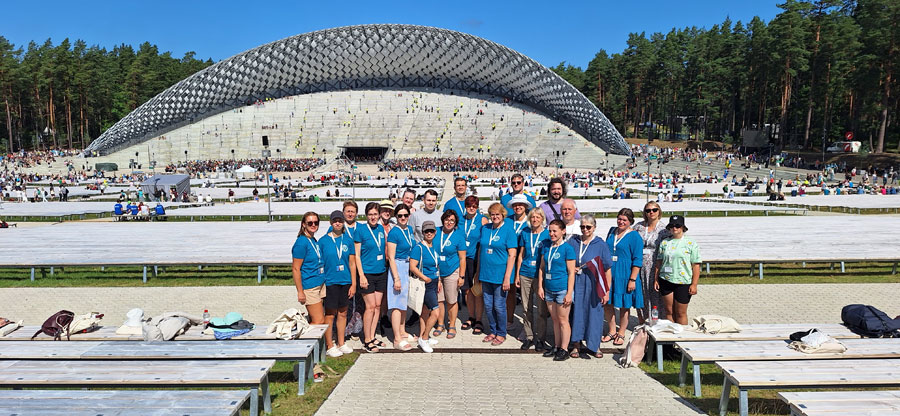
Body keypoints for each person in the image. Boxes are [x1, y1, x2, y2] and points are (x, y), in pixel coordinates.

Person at [567, 214, 612, 359]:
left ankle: (594, 345)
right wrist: (571, 268)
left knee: (595, 313)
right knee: (577, 313)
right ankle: (576, 344)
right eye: (582, 227)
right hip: (578, 282)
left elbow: (607, 268)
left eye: (588, 227)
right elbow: (566, 259)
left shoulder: (600, 244)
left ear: (594, 228)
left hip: (594, 283)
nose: (585, 229)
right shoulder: (573, 241)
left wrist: (606, 291)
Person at [477, 202, 518, 346]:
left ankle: (501, 333)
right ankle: (493, 330)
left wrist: (508, 277)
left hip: (500, 275)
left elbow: (512, 255)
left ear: (503, 215)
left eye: (497, 214)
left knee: (499, 305)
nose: (495, 217)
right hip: (486, 273)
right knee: (488, 305)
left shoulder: (508, 230)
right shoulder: (485, 229)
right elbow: (481, 250)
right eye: (492, 214)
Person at [536, 219, 576, 361]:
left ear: (563, 231)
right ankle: (556, 346)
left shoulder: (568, 249)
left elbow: (571, 272)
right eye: (550, 231)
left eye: (555, 231)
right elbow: (542, 267)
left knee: (563, 320)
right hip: (548, 289)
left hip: (562, 289)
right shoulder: (547, 246)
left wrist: (569, 293)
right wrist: (540, 286)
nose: (552, 234)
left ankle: (564, 349)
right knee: (554, 320)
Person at [603, 208, 643, 346]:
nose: (621, 222)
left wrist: (632, 279)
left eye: (624, 220)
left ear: (630, 222)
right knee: (608, 303)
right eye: (619, 218)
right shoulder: (611, 231)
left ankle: (621, 333)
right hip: (610, 273)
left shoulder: (635, 236)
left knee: (624, 305)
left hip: (625, 274)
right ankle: (612, 330)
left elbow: (637, 259)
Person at [319, 210, 357, 357]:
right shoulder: (323, 241)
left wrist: (353, 284)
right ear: (330, 222)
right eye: (335, 220)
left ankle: (341, 342)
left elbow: (352, 263)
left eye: (340, 220)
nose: (337, 223)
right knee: (330, 314)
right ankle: (329, 345)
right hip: (330, 282)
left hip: (345, 281)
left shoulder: (348, 240)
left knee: (343, 312)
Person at [655, 215, 701, 325]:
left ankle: (682, 337)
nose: (674, 228)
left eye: (677, 226)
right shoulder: (665, 242)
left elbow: (696, 265)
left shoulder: (691, 243)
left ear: (683, 227)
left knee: (680, 313)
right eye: (672, 226)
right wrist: (656, 279)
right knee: (669, 311)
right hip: (666, 279)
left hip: (683, 281)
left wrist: (694, 284)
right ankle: (671, 337)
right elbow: (659, 262)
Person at [354, 202, 388, 353]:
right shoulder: (360, 230)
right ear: (366, 215)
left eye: (375, 214)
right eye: (370, 214)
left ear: (379, 215)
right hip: (367, 273)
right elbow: (357, 256)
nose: (373, 217)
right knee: (370, 307)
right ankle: (367, 339)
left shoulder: (381, 229)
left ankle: (372, 336)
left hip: (380, 272)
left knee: (378, 307)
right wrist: (361, 275)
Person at [516, 207, 549, 351]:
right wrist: (517, 274)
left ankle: (541, 338)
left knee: (541, 309)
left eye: (538, 217)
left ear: (542, 219)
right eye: (533, 217)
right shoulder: (525, 233)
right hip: (525, 273)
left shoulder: (547, 234)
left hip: (540, 276)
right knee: (526, 307)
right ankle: (529, 336)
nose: (535, 220)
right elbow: (521, 255)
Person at [632, 201, 670, 324]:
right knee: (640, 293)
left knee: (654, 295)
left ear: (659, 211)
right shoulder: (639, 227)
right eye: (648, 210)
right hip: (639, 265)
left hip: (654, 265)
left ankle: (656, 321)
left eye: (654, 210)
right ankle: (642, 321)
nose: (651, 212)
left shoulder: (664, 229)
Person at [386, 203, 416, 351]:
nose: (403, 218)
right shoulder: (394, 232)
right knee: (396, 303)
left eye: (405, 215)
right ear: (396, 217)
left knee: (404, 302)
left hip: (407, 267)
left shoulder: (409, 229)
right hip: (397, 267)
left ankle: (403, 331)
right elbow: (391, 257)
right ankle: (396, 338)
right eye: (400, 216)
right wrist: (396, 278)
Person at [433, 210, 467, 339]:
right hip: (436, 271)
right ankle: (440, 324)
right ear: (443, 220)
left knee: (451, 300)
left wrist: (461, 276)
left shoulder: (458, 235)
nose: (449, 222)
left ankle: (452, 324)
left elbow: (462, 258)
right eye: (447, 219)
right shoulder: (436, 231)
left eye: (452, 220)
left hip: (452, 271)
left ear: (455, 222)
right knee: (439, 299)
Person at [409, 221, 441, 353]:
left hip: (434, 282)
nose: (429, 233)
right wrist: (425, 277)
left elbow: (435, 265)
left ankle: (424, 336)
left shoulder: (433, 247)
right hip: (425, 283)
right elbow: (412, 266)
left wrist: (438, 281)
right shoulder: (419, 248)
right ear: (422, 233)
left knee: (425, 312)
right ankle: (424, 337)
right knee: (435, 312)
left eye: (431, 231)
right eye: (426, 231)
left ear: (435, 232)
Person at [291, 212, 326, 325]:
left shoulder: (313, 240)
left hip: (319, 283)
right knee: (318, 320)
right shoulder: (301, 243)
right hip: (310, 286)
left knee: (318, 318)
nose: (313, 225)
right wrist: (300, 292)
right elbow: (296, 269)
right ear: (303, 224)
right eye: (310, 222)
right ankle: (304, 340)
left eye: (316, 222)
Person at [460, 195, 488, 335]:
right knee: (467, 290)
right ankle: (470, 317)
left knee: (477, 290)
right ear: (465, 206)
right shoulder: (460, 220)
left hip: (477, 259)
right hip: (463, 260)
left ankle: (479, 319)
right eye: (469, 205)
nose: (472, 208)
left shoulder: (482, 220)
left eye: (474, 206)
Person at [506, 193, 531, 324]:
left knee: (525, 295)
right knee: (510, 292)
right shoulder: (507, 220)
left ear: (526, 206)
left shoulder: (530, 221)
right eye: (515, 205)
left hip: (524, 260)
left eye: (521, 204)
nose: (518, 207)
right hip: (509, 260)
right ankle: (509, 320)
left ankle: (526, 326)